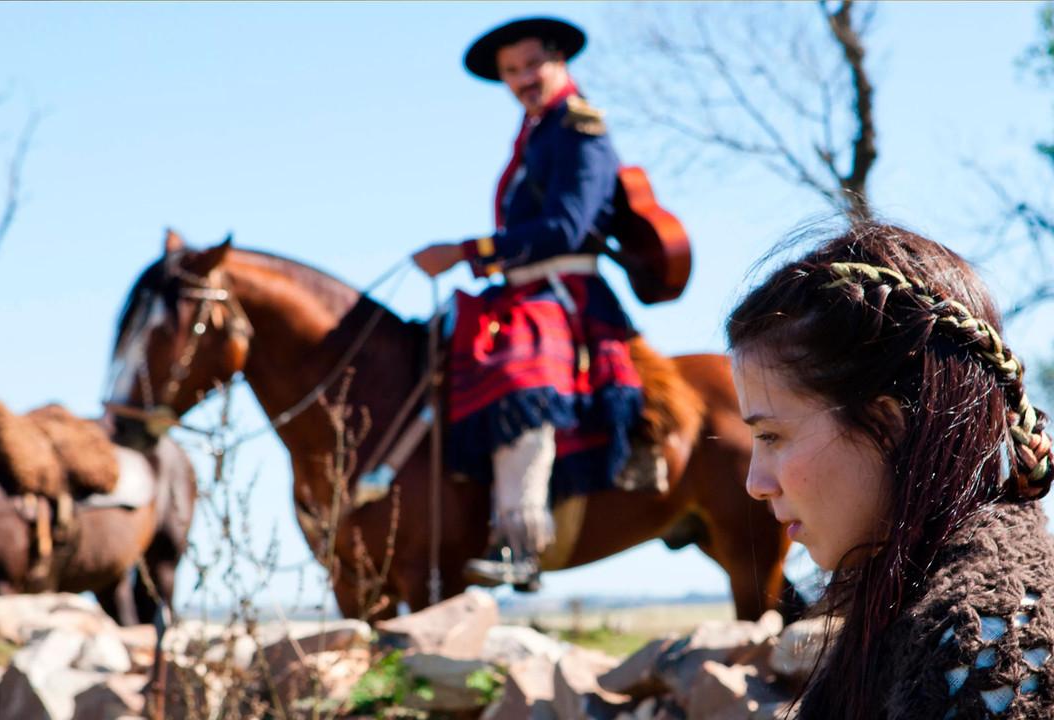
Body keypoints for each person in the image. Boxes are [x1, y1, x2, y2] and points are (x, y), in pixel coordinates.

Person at [727, 221, 1054, 719]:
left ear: (886, 427)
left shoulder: (992, 649)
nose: (755, 484)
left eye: (771, 436)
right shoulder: (912, 609)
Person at [412, 17, 647, 589]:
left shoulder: (580, 128)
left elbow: (566, 228)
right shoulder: (536, 133)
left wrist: (469, 251)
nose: (521, 81)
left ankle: (520, 544)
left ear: (558, 58)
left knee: (519, 376)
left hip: (567, 291)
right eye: (510, 73)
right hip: (523, 286)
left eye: (530, 66)